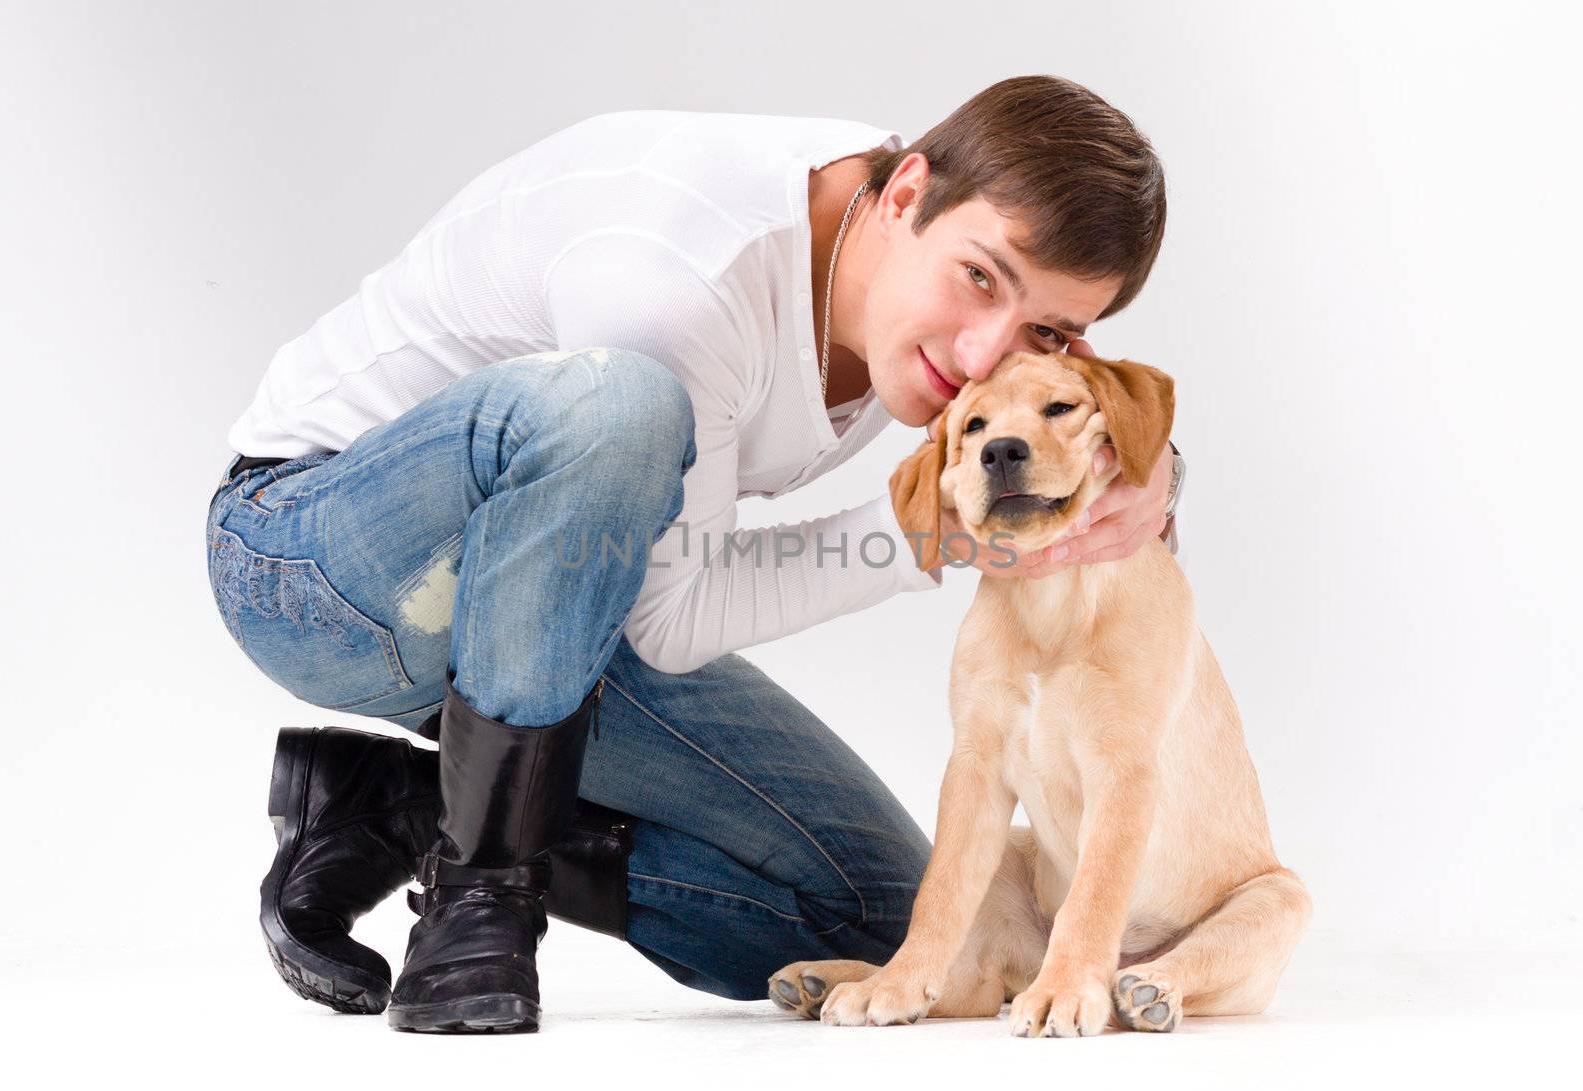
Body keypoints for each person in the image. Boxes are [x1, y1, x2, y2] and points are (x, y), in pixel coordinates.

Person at [204, 74, 1178, 1034]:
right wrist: (934, 530)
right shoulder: (679, 269)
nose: (983, 357)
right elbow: (676, 622)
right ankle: (479, 898)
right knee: (619, 404)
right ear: (908, 192)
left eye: (1044, 330)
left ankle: (402, 808)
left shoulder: (921, 249)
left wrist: (1148, 465)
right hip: (320, 563)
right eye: (979, 279)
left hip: (567, 612)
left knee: (885, 912)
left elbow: (658, 598)